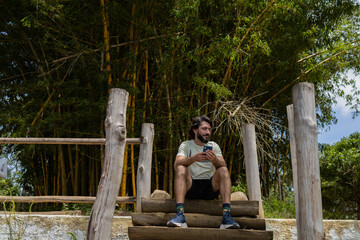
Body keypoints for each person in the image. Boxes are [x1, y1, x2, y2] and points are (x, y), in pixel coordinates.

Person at [167, 115, 240, 229]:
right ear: (195, 130)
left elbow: (223, 165)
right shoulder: (186, 145)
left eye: (209, 129)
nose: (208, 132)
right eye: (204, 129)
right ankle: (180, 215)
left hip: (210, 187)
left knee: (223, 170)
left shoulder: (213, 146)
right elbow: (176, 165)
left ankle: (226, 217)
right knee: (181, 168)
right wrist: (193, 159)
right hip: (191, 186)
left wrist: (215, 160)